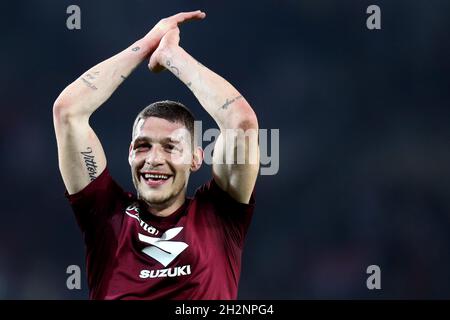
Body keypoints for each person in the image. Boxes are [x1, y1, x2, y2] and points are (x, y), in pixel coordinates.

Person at [53, 10, 260, 300]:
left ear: (196, 158)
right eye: (143, 146)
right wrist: (148, 42)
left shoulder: (220, 214)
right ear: (129, 154)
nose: (153, 158)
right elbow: (68, 111)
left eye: (170, 147)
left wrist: (172, 56)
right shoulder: (105, 215)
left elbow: (241, 123)